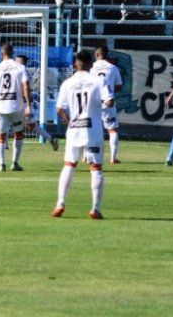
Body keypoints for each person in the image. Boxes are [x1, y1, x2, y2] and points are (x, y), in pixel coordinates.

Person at [52, 50, 114, 220]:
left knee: (69, 165)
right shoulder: (98, 80)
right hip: (92, 129)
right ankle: (95, 208)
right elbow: (109, 101)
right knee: (96, 168)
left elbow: (59, 109)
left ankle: (60, 203)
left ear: (75, 64)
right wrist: (106, 103)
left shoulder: (67, 83)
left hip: (74, 129)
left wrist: (70, 120)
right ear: (90, 64)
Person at [0, 43, 31, 172]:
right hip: (16, 106)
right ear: (12, 53)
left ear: (2, 54)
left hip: (1, 107)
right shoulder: (20, 67)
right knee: (18, 133)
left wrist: (2, 95)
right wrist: (28, 104)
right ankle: (15, 163)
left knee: (0, 136)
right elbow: (26, 87)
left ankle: (1, 165)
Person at [15, 55, 58, 151]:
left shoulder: (22, 72)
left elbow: (26, 89)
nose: (15, 63)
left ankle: (4, 146)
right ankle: (51, 139)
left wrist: (28, 105)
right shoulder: (21, 72)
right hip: (22, 102)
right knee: (32, 125)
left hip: (21, 103)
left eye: (17, 61)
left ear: (22, 63)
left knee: (11, 122)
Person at [90, 46, 123, 164]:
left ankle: (86, 156)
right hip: (107, 101)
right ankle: (113, 158)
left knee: (90, 129)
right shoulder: (113, 68)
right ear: (106, 55)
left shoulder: (91, 67)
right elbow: (119, 86)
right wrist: (110, 89)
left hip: (92, 102)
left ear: (96, 55)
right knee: (112, 130)